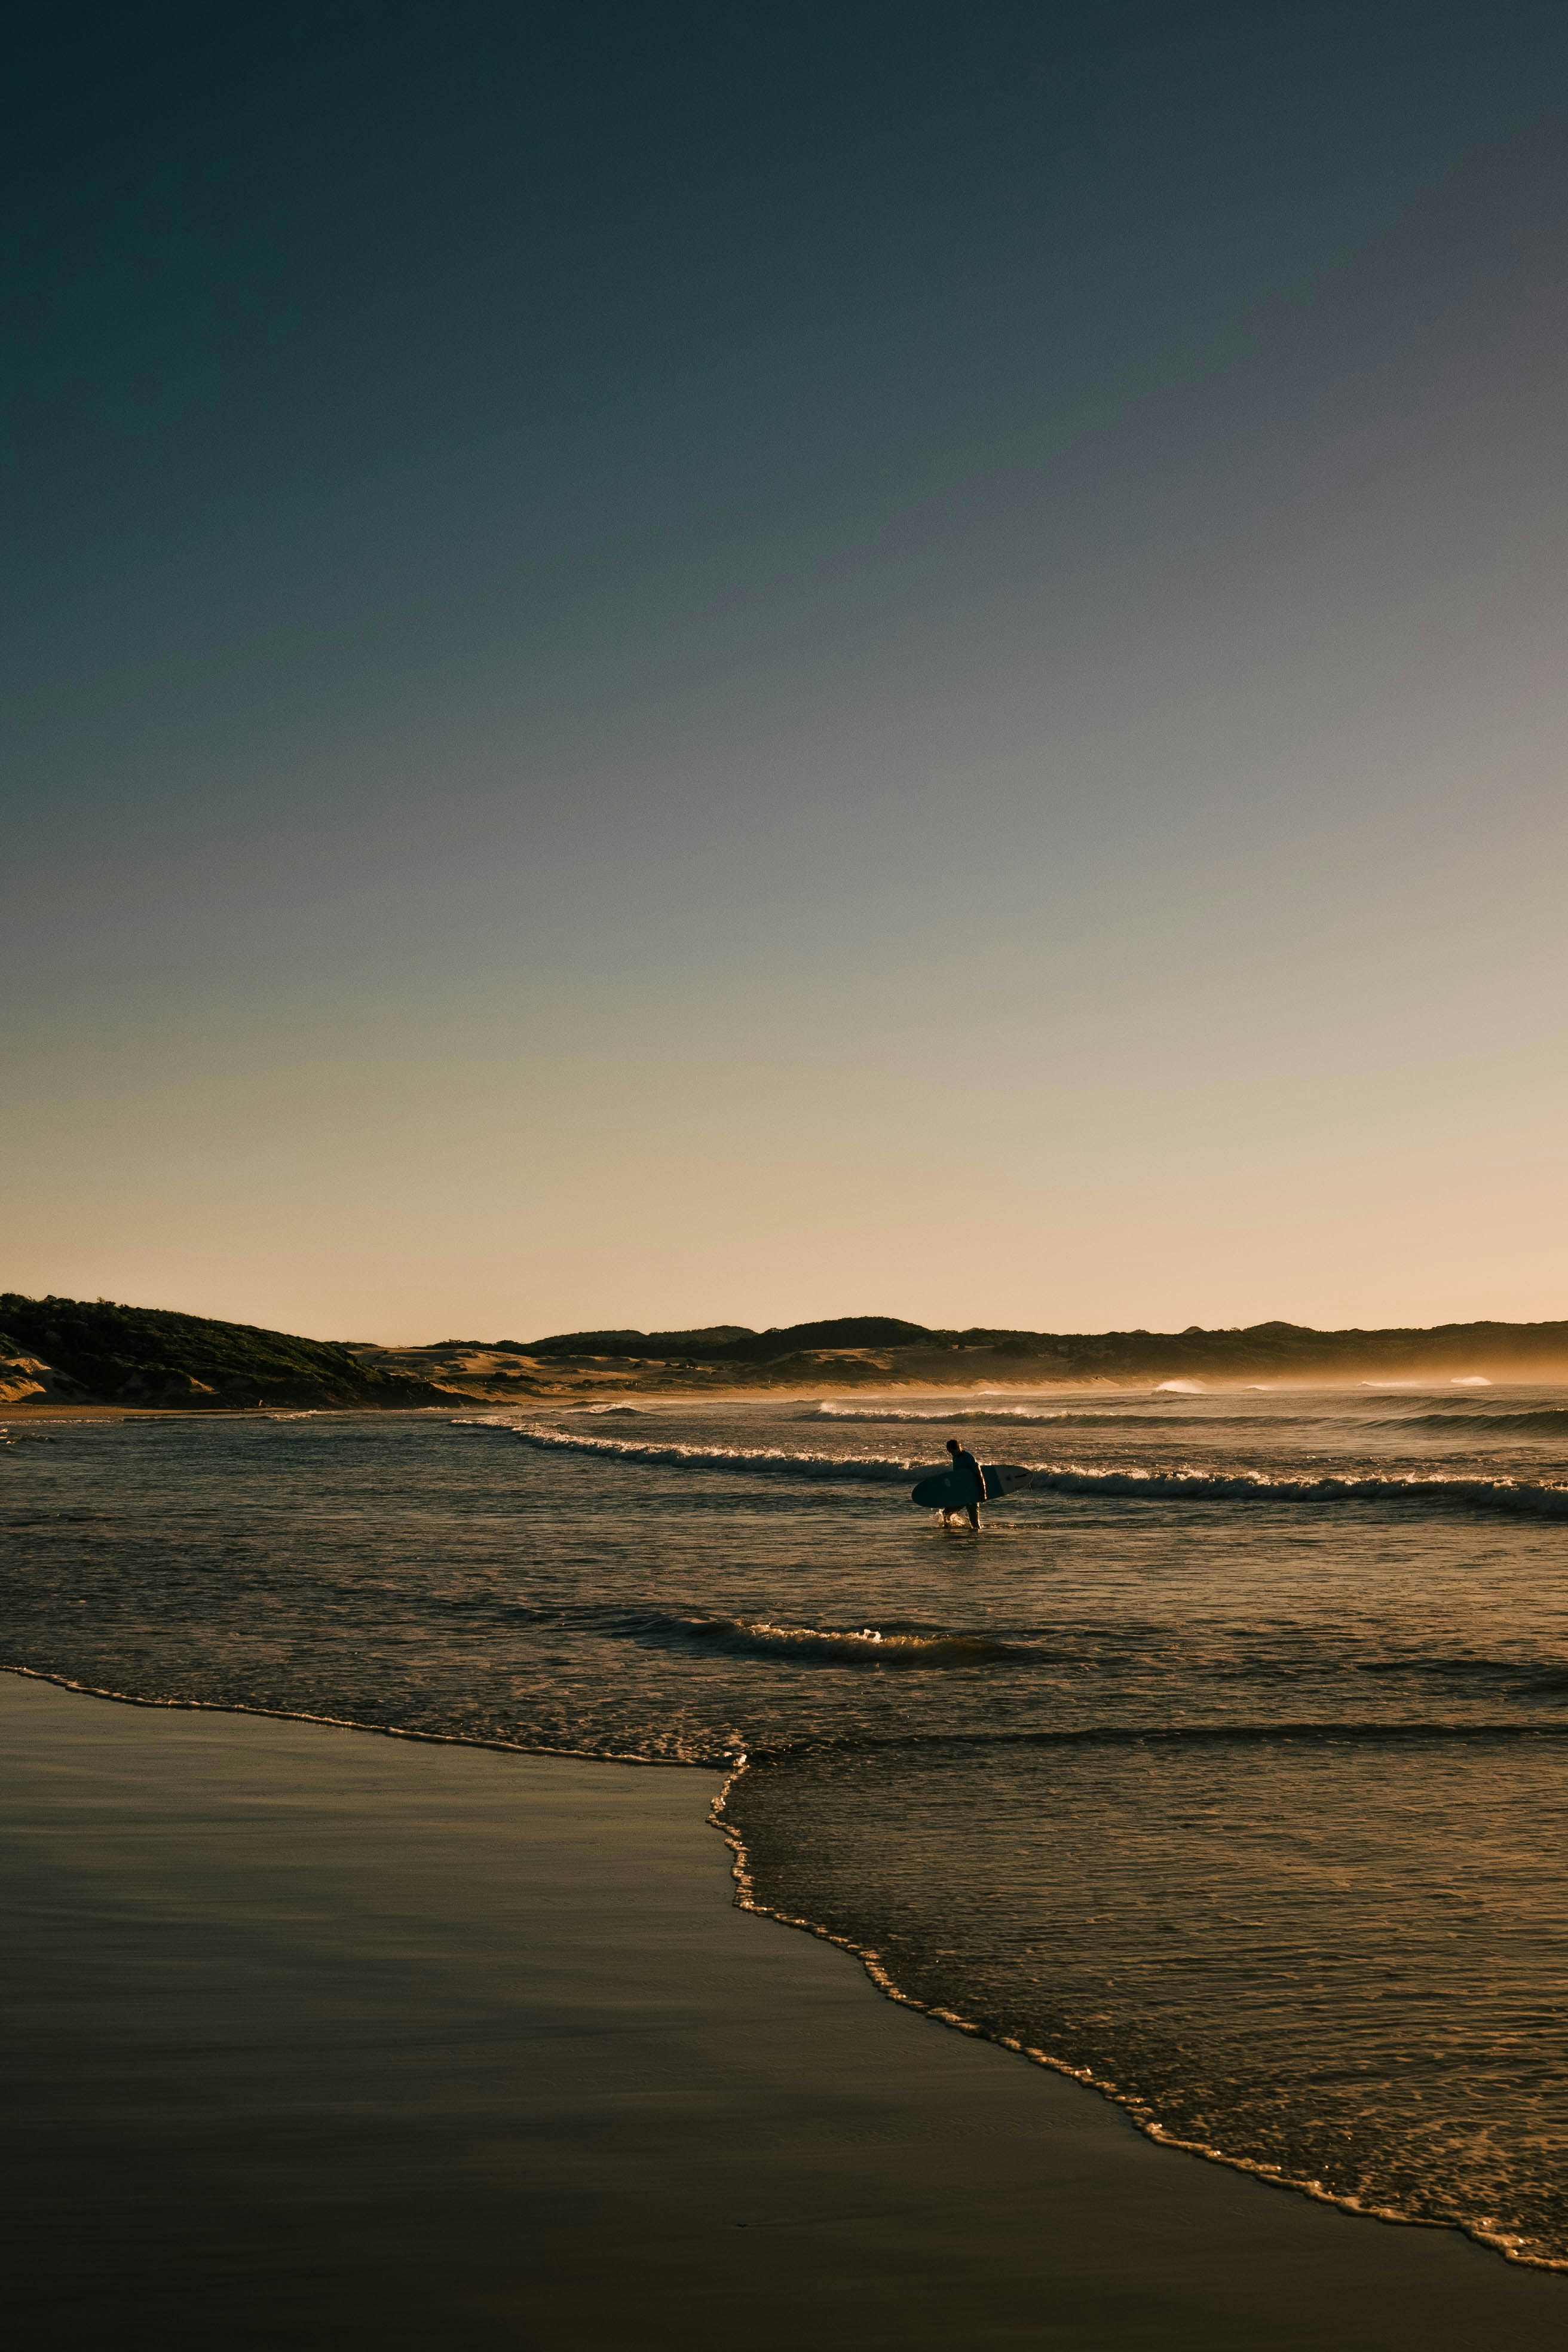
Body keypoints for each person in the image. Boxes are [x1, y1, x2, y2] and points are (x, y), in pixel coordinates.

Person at [943, 1435, 984, 1532]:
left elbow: (979, 1475)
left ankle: (975, 1542)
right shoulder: (955, 1457)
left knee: (974, 1523)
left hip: (972, 1493)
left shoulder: (969, 1458)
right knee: (946, 1513)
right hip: (961, 1492)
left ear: (958, 1448)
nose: (952, 1454)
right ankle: (949, 1532)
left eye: (953, 1452)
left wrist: (983, 1493)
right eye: (950, 1453)